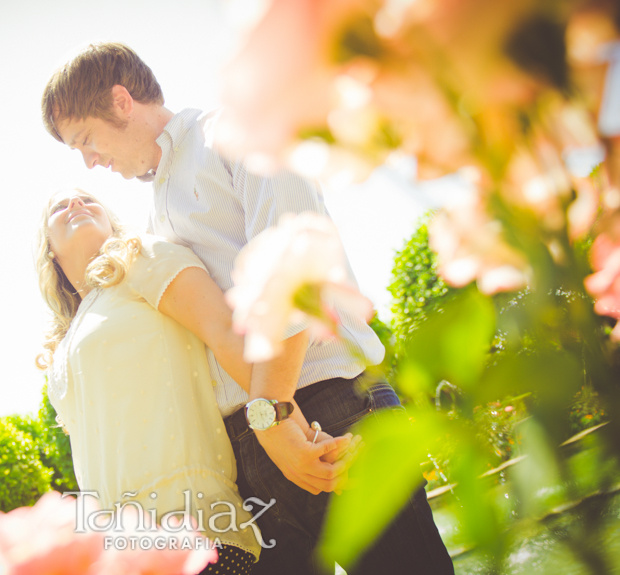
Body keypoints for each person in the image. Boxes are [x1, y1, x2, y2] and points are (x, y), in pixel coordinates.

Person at [40, 43, 455, 575]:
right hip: (251, 450)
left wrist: (275, 415)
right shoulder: (156, 210)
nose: (90, 161)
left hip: (328, 410)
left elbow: (299, 271)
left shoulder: (236, 133)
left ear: (121, 102)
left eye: (85, 140)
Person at [36, 188, 355, 574]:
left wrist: (295, 430)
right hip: (118, 546)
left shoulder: (138, 256)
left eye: (88, 200)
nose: (76, 204)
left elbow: (224, 333)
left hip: (195, 525)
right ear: (48, 248)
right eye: (60, 206)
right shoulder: (62, 340)